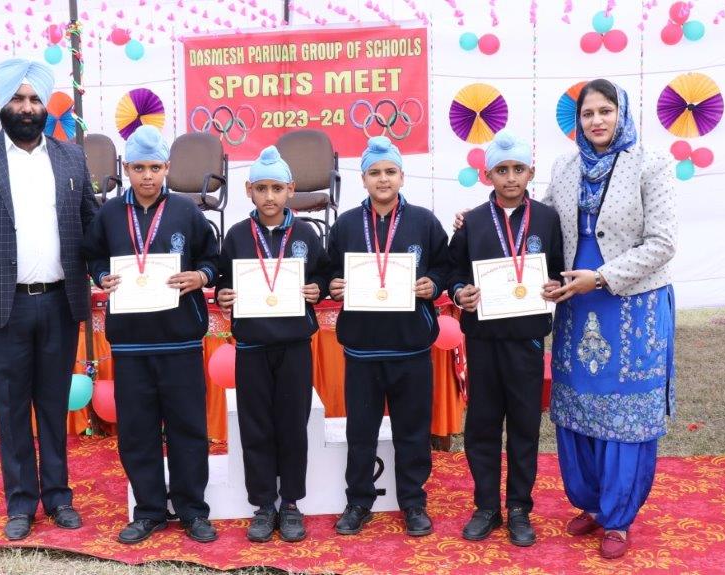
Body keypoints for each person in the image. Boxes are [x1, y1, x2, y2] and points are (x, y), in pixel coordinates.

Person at [0, 58, 98, 540]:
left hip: (60, 302)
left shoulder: (71, 158)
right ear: (2, 103)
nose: (27, 108)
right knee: (11, 410)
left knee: (53, 406)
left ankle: (59, 498)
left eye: (34, 100)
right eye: (18, 99)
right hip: (1, 308)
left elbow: (92, 226)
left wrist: (108, 274)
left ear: (44, 106)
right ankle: (21, 503)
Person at [540, 79, 677, 560]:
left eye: (605, 110)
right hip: (576, 306)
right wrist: (484, 217)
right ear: (577, 121)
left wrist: (600, 278)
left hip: (631, 305)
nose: (596, 120)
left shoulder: (651, 162)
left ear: (622, 113)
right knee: (579, 404)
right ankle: (593, 503)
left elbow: (663, 242)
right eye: (587, 113)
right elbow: (541, 225)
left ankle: (619, 517)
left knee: (625, 410)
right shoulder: (564, 167)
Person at [81, 125, 220, 544]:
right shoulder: (108, 214)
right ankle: (149, 511)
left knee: (187, 429)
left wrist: (201, 276)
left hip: (180, 340)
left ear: (167, 168)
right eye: (139, 167)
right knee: (137, 432)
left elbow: (213, 257)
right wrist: (101, 276)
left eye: (155, 167)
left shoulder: (186, 212)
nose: (147, 175)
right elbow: (92, 256)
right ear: (126, 167)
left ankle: (192, 510)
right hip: (131, 344)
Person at [326, 136, 450, 537]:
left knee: (412, 431)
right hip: (362, 348)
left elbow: (445, 266)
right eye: (375, 173)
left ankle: (413, 502)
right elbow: (328, 270)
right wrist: (333, 285)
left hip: (411, 345)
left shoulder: (425, 222)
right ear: (363, 179)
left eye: (390, 172)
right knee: (360, 431)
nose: (383, 179)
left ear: (402, 176)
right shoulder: (346, 224)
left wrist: (433, 283)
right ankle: (358, 502)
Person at [447, 129, 563, 546]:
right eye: (501, 170)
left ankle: (518, 508)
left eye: (518, 169)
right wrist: (460, 292)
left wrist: (555, 285)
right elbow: (453, 270)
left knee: (524, 425)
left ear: (530, 172)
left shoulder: (548, 219)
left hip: (526, 340)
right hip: (482, 339)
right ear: (487, 174)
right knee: (481, 424)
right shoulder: (472, 221)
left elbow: (559, 267)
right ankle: (486, 506)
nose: (510, 177)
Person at [215, 145, 330, 543]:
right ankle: (264, 504)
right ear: (248, 190)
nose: (269, 196)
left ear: (291, 190)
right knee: (256, 426)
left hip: (294, 344)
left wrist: (317, 289)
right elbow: (223, 280)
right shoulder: (236, 236)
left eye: (277, 188)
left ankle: (292, 503)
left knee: (293, 425)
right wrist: (224, 295)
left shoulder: (306, 234)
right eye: (261, 188)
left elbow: (323, 276)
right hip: (251, 347)